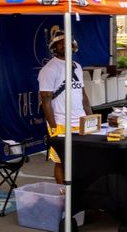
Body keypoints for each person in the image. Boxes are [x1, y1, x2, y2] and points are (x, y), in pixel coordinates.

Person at [38, 33, 93, 184]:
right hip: (61, 123)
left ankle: (76, 194)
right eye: (61, 43)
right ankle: (63, 196)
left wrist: (91, 118)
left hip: (80, 121)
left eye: (69, 42)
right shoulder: (50, 69)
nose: (65, 45)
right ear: (54, 48)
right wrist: (54, 128)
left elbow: (83, 95)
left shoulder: (77, 67)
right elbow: (45, 100)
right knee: (61, 161)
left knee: (81, 160)